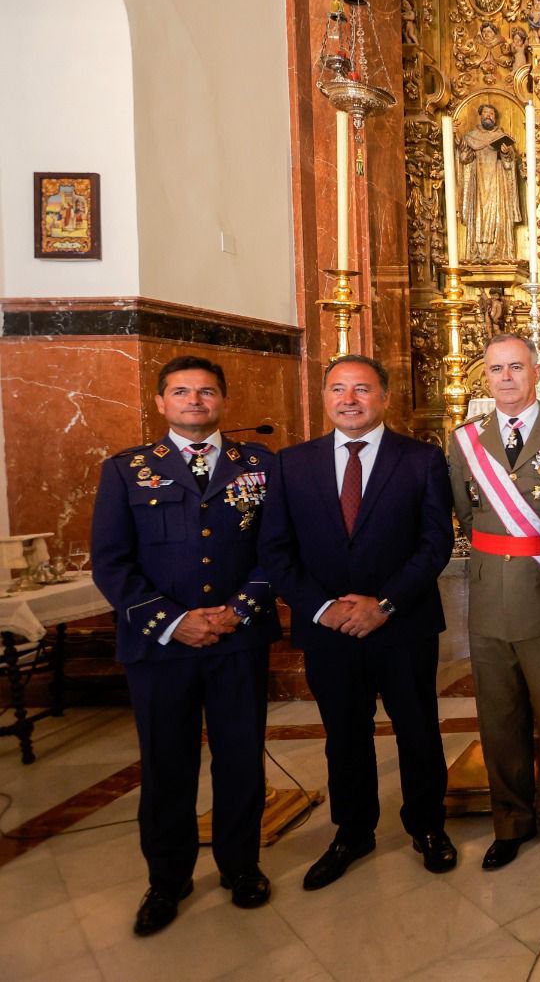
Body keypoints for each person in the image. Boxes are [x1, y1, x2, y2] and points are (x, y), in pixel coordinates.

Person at [90, 356, 278, 936]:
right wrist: (174, 622)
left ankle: (240, 866)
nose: (194, 400)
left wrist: (237, 611)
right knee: (166, 763)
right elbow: (111, 563)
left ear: (223, 400)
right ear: (160, 402)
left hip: (237, 640)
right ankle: (167, 880)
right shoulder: (127, 471)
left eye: (206, 391)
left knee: (240, 758)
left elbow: (278, 549)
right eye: (181, 391)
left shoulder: (261, 465)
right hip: (159, 648)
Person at [259, 355, 457, 890]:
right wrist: (323, 608)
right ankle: (352, 831)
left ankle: (427, 825)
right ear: (324, 397)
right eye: (338, 389)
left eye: (362, 389)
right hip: (328, 629)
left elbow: (435, 542)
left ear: (385, 397)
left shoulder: (421, 458)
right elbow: (275, 550)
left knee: (418, 729)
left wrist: (384, 604)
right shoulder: (291, 464)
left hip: (404, 625)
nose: (349, 399)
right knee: (344, 735)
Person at [447, 335, 540, 871]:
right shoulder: (464, 440)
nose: (505, 378)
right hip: (489, 596)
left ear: (536, 372)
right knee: (498, 714)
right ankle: (509, 820)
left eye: (515, 367)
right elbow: (467, 516)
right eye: (495, 369)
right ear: (485, 376)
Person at [457, 103, 522, 263]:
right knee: (478, 215)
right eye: (485, 113)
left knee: (499, 214)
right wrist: (461, 145)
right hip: (478, 184)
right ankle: (478, 254)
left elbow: (509, 164)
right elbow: (464, 159)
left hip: (498, 184)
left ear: (495, 118)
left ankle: (499, 252)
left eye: (491, 114)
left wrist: (506, 153)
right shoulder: (471, 137)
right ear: (480, 116)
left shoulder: (501, 136)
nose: (488, 116)